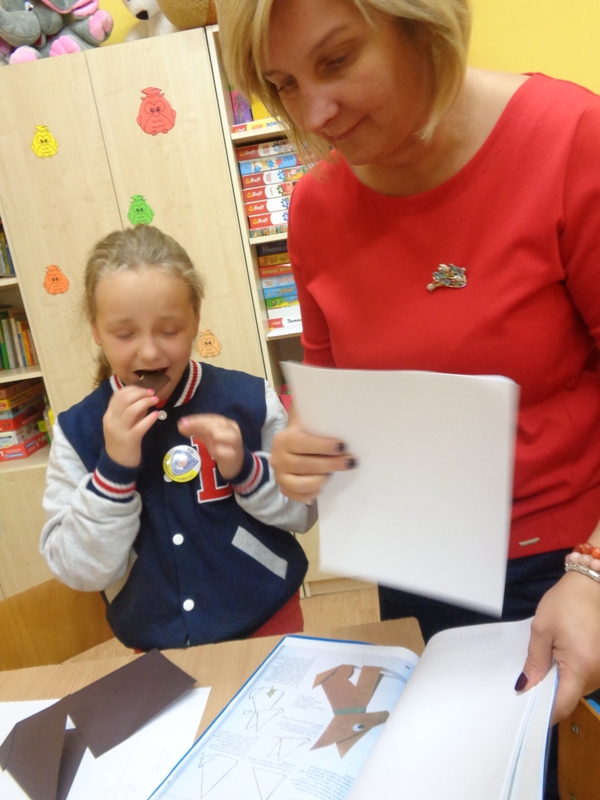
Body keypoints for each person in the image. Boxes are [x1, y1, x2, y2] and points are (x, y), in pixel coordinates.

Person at [217, 2, 600, 792]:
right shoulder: (315, 207)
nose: (313, 115)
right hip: (417, 564)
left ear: (422, 24)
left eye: (336, 61)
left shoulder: (571, 140)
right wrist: (300, 451)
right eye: (285, 84)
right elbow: (331, 399)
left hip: (570, 565)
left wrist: (594, 575)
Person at [40, 225, 316, 651]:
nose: (150, 353)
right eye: (125, 334)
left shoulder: (249, 399)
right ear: (96, 329)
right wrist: (112, 473)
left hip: (267, 619)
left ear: (195, 319)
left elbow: (304, 512)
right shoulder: (76, 431)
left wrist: (247, 470)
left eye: (168, 330)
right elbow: (79, 571)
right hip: (156, 643)